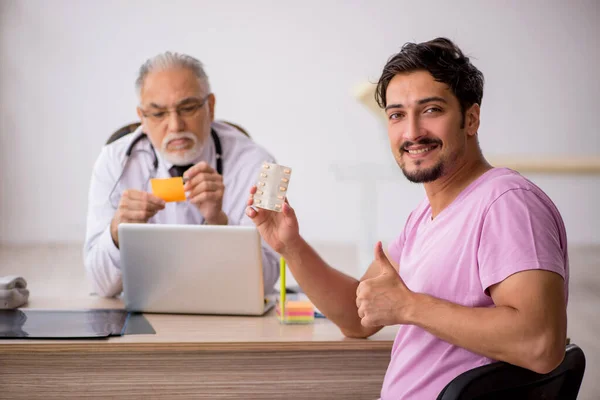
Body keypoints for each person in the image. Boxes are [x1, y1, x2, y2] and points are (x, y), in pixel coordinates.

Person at [245, 38, 568, 399]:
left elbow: (540, 344)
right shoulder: (424, 218)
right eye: (397, 115)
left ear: (471, 118)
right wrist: (291, 246)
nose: (412, 132)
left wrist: (410, 306)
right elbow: (358, 317)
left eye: (431, 110)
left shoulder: (507, 203)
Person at [84, 52, 279, 298]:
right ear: (142, 117)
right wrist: (116, 232)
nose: (175, 126)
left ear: (210, 106)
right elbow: (99, 286)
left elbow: (269, 278)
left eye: (187, 109)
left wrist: (219, 222)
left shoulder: (265, 167)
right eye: (158, 114)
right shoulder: (113, 162)